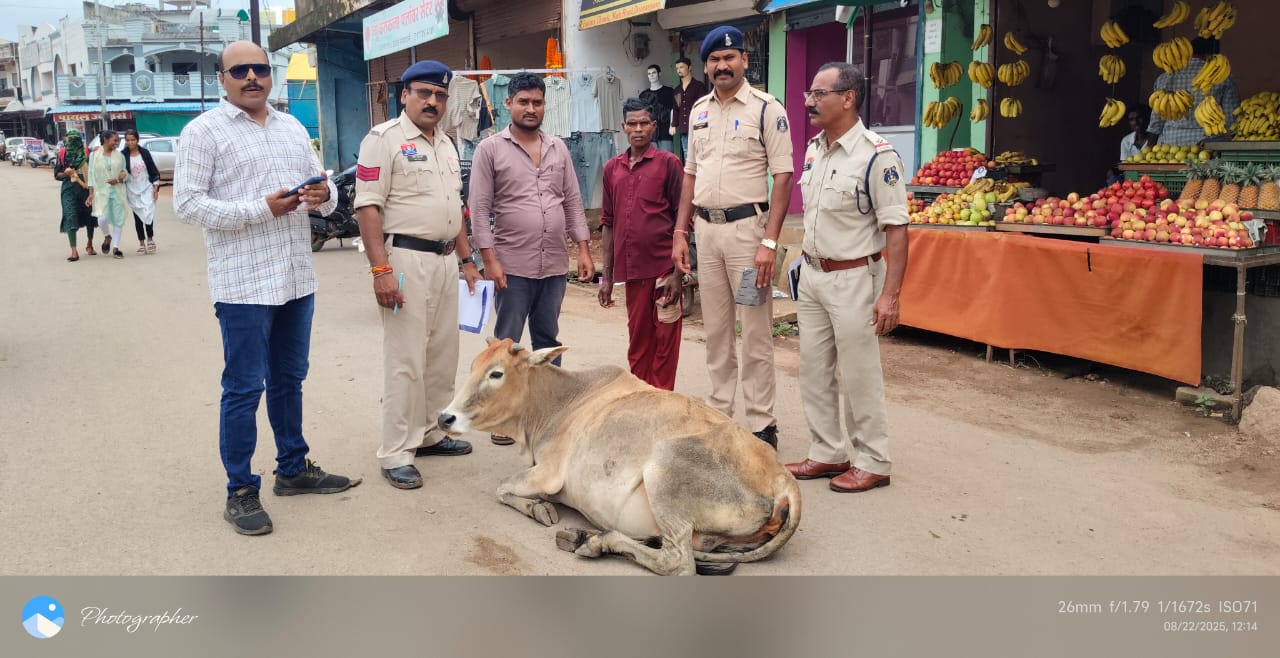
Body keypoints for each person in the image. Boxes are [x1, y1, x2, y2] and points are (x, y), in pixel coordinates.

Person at [174, 40, 358, 536]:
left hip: (296, 276)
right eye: (240, 71)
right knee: (243, 388)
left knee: (288, 380)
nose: (252, 77)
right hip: (243, 284)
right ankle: (240, 489)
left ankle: (293, 469)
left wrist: (324, 194)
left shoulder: (293, 126)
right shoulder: (203, 132)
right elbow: (188, 204)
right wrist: (262, 208)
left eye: (259, 68)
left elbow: (323, 189)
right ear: (222, 78)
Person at [353, 60, 483, 490]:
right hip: (405, 261)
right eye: (424, 93)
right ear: (403, 94)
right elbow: (368, 206)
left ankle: (428, 433)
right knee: (406, 360)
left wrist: (467, 261)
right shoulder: (383, 140)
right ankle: (395, 451)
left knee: (442, 357)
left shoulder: (446, 143)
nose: (433, 101)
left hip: (446, 261)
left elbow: (456, 209)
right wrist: (381, 270)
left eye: (440, 95)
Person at [783, 62, 908, 493]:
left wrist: (890, 295)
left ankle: (874, 459)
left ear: (848, 97)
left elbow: (896, 227)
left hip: (854, 277)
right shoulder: (815, 149)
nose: (809, 101)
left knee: (859, 374)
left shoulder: (877, 155)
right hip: (814, 276)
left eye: (819, 94)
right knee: (814, 370)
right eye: (809, 93)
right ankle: (827, 452)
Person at [671, 25, 793, 448]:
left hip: (748, 236)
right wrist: (680, 232)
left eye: (730, 58)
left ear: (744, 60)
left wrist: (770, 243)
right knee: (717, 330)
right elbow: (690, 175)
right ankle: (720, 414)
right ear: (706, 66)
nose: (722, 65)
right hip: (707, 233)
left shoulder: (766, 109)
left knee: (755, 331)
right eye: (715, 60)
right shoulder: (699, 111)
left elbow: (783, 176)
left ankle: (761, 424)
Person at [469, 71, 595, 446]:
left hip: (554, 263)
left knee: (547, 338)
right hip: (512, 264)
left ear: (544, 105)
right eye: (523, 101)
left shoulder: (558, 148)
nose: (530, 108)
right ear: (508, 104)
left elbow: (572, 201)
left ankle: (547, 407)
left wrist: (584, 249)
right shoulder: (489, 149)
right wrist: (489, 259)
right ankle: (501, 414)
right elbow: (478, 209)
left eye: (537, 102)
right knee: (506, 343)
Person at [598, 98, 685, 390]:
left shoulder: (669, 164)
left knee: (666, 341)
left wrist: (678, 273)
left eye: (644, 123)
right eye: (632, 123)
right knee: (639, 343)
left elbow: (682, 221)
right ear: (623, 127)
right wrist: (606, 277)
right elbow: (608, 223)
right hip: (632, 272)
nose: (638, 129)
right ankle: (640, 401)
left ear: (654, 127)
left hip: (664, 270)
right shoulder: (613, 169)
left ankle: (663, 404)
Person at [1147, 37, 1239, 145]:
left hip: (1169, 147)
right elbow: (1231, 121)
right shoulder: (1223, 78)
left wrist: (1148, 150)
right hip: (1206, 146)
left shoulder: (1163, 78)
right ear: (1214, 54)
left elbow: (1156, 121)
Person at [87, 130, 131, 260]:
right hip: (101, 192)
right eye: (115, 140)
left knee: (118, 219)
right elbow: (90, 174)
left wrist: (121, 177)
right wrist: (91, 193)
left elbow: (125, 173)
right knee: (102, 218)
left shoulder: (120, 156)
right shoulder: (94, 155)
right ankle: (107, 236)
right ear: (106, 140)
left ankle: (116, 248)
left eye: (118, 141)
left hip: (118, 191)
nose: (117, 143)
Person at [55, 129, 95, 261]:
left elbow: (93, 173)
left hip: (85, 188)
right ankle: (74, 250)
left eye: (75, 139)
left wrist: (91, 192)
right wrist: (66, 174)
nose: (72, 142)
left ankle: (90, 244)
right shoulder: (62, 154)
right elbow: (57, 175)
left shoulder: (86, 153)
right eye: (70, 139)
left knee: (89, 216)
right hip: (68, 190)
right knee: (70, 215)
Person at [122, 129, 161, 255]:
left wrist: (155, 187)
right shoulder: (123, 155)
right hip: (132, 189)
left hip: (146, 187)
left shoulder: (144, 153)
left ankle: (150, 238)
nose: (130, 142)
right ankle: (141, 243)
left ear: (137, 140)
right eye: (128, 140)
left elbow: (153, 170)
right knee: (138, 216)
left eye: (133, 139)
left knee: (148, 212)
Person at [671, 57, 708, 160]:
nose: (679, 70)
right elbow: (676, 108)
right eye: (677, 68)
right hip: (684, 130)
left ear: (689, 67)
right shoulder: (677, 90)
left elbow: (704, 106)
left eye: (682, 67)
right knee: (687, 156)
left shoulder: (698, 86)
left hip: (698, 128)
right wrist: (674, 124)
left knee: (700, 155)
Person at [638, 65, 676, 152]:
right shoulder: (643, 95)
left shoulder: (669, 92)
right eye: (649, 73)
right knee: (651, 162)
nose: (651, 75)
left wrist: (672, 125)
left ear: (659, 74)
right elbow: (641, 115)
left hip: (666, 132)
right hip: (649, 134)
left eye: (654, 73)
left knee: (667, 160)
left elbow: (673, 110)